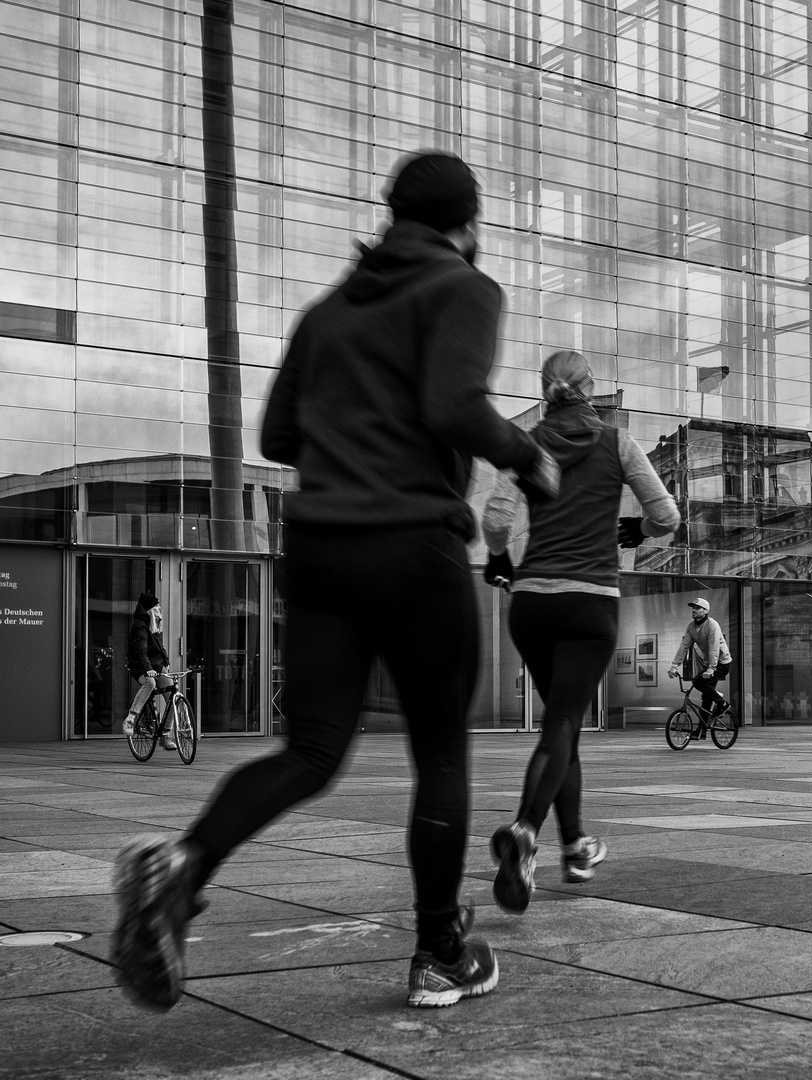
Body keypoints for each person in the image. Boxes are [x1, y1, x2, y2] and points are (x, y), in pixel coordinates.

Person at [111, 151, 560, 1012]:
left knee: (312, 750)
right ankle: (438, 952)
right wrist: (527, 457)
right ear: (466, 225)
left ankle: (182, 866)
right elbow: (451, 403)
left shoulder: (328, 311)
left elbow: (280, 432)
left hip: (319, 548)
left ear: (394, 216)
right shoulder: (464, 288)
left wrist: (351, 431)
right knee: (439, 754)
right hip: (412, 545)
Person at [482, 349, 680, 913]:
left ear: (544, 391)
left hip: (531, 606)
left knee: (561, 728)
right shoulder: (617, 442)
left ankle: (574, 848)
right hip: (589, 602)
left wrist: (500, 560)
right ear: (590, 390)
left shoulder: (532, 445)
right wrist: (637, 529)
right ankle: (525, 832)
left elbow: (496, 519)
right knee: (565, 723)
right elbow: (667, 517)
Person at [667, 598, 732, 739]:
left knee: (698, 682)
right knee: (706, 698)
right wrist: (674, 665)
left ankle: (722, 704)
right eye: (693, 608)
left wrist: (711, 669)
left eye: (698, 608)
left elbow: (714, 648)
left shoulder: (712, 625)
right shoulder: (691, 627)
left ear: (706, 611)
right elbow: (684, 646)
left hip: (721, 663)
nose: (694, 610)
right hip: (709, 664)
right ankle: (702, 730)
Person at [122, 593, 174, 749]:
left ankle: (165, 736)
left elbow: (160, 646)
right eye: (156, 606)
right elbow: (141, 652)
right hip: (141, 665)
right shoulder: (140, 626)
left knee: (173, 697)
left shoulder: (156, 623)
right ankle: (131, 718)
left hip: (157, 665)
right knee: (150, 683)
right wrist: (148, 669)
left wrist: (166, 662)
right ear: (150, 609)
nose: (159, 609)